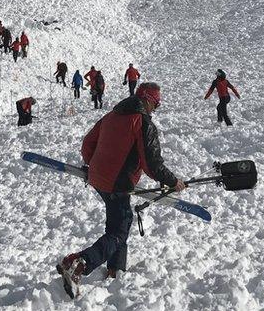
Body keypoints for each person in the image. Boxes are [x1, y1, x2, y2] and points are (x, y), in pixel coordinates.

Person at [57, 82, 184, 299]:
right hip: (117, 183)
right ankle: (79, 263)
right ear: (147, 99)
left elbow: (88, 144)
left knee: (118, 222)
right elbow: (151, 163)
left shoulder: (111, 115)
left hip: (98, 179)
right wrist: (173, 181)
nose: (156, 108)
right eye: (156, 104)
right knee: (119, 231)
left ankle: (116, 269)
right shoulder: (142, 122)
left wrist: (95, 165)